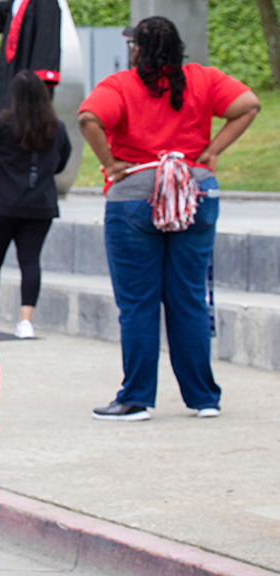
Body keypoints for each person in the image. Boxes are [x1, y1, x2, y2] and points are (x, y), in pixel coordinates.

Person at [79, 17, 259, 422]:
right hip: (195, 188)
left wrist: (110, 163)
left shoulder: (120, 86)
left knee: (139, 303)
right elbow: (248, 104)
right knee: (189, 298)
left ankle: (137, 399)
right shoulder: (204, 79)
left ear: (137, 48)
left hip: (135, 196)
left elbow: (89, 118)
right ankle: (204, 398)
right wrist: (212, 153)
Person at [0, 69, 71, 339]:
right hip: (41, 205)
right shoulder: (57, 127)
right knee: (31, 262)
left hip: (1, 205)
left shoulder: (2, 124)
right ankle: (26, 322)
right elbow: (61, 163)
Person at [0, 0, 61, 112]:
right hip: (10, 74)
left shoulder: (46, 3)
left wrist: (36, 81)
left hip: (27, 80)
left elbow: (46, 41)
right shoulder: (17, 3)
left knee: (24, 116)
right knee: (5, 113)